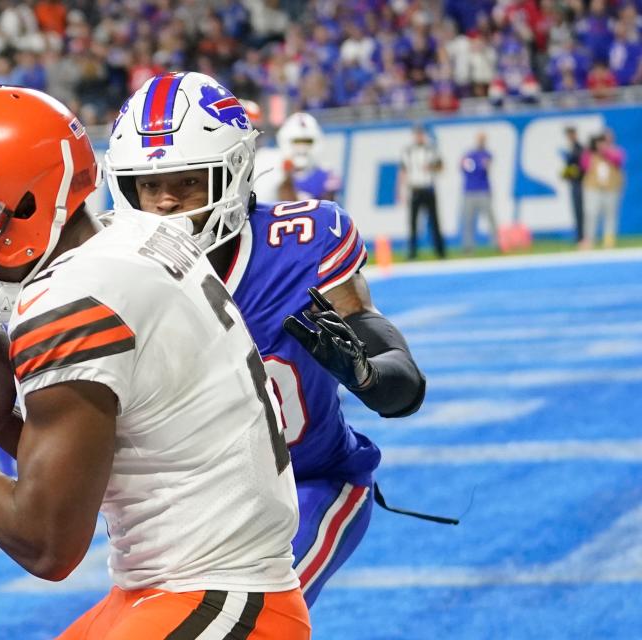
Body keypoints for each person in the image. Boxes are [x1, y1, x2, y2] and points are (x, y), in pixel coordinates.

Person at [0, 85, 311, 639]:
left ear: (24, 203)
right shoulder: (134, 235)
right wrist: (0, 418)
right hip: (181, 584)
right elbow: (106, 458)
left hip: (217, 595)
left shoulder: (70, 299)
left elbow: (47, 545)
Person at [104, 72, 428, 607]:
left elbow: (395, 374)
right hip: (188, 509)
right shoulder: (111, 273)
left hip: (309, 485)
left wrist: (371, 375)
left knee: (244, 613)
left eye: (186, 182)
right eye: (149, 185)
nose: (163, 203)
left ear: (231, 175)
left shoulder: (299, 245)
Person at [399, 123, 446, 260]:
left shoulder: (431, 149)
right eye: (417, 134)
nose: (419, 137)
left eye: (421, 134)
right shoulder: (408, 151)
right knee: (413, 223)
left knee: (435, 222)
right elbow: (403, 171)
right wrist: (401, 191)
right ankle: (412, 253)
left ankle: (440, 252)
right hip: (415, 189)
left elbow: (441, 166)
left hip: (428, 189)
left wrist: (431, 167)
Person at [276, 111, 342, 202]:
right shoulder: (277, 172)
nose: (302, 147)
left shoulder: (327, 173)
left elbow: (328, 207)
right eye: (297, 141)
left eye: (307, 141)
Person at [580, 129, 626, 249]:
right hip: (593, 188)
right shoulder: (590, 154)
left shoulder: (616, 151)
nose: (604, 142)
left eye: (606, 139)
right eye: (601, 140)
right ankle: (589, 240)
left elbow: (618, 160)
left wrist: (604, 151)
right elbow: (584, 166)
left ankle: (609, 240)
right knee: (591, 214)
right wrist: (592, 150)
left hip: (611, 189)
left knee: (610, 215)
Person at [459, 132, 499, 253]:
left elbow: (486, 167)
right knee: (468, 220)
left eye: (483, 139)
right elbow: (464, 167)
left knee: (491, 218)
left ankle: (495, 243)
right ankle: (468, 246)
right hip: (470, 191)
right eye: (480, 139)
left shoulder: (487, 154)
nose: (481, 141)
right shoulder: (470, 154)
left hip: (483, 190)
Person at [561, 125, 585, 244]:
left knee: (581, 211)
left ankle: (582, 236)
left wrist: (570, 172)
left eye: (571, 134)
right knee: (576, 211)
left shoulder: (579, 149)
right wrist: (566, 174)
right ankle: (579, 236)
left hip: (580, 183)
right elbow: (569, 168)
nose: (569, 137)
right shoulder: (571, 149)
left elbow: (580, 167)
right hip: (574, 183)